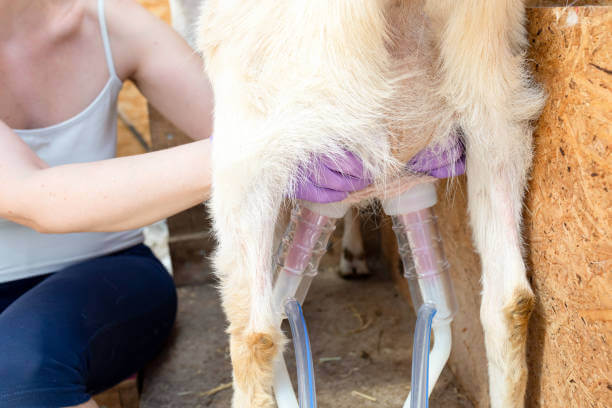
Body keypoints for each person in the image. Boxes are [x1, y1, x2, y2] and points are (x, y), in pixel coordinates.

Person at [0, 1, 464, 407]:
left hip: (104, 274)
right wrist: (271, 148)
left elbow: (235, 113)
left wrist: (389, 125)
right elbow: (33, 199)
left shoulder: (106, 19)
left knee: (17, 364)